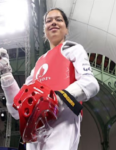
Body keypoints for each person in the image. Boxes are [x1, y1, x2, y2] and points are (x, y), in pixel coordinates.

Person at [0, 8, 99, 150]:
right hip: (35, 125)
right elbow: (18, 109)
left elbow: (91, 83)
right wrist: (6, 75)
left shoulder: (73, 49)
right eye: (48, 21)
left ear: (66, 30)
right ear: (45, 31)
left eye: (58, 19)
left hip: (63, 118)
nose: (53, 23)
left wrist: (55, 99)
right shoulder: (38, 64)